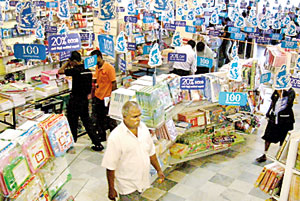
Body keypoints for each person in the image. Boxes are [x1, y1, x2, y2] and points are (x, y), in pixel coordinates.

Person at [102, 101, 165, 201]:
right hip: (126, 185)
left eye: (139, 115)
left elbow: (151, 152)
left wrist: (158, 169)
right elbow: (110, 166)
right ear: (124, 116)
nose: (138, 119)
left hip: (141, 180)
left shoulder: (143, 128)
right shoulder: (116, 137)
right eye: (134, 117)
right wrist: (111, 188)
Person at [58, 51, 102, 151]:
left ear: (73, 61)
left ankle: (72, 143)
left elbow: (60, 71)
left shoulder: (75, 70)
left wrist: (66, 63)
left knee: (72, 122)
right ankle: (97, 143)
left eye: (71, 61)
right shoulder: (88, 70)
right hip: (84, 100)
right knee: (87, 122)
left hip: (75, 100)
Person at [256, 88, 295, 163]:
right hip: (274, 117)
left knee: (282, 138)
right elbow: (273, 101)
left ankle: (279, 157)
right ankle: (264, 154)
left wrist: (281, 93)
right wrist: (268, 111)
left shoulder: (291, 92)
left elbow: (289, 104)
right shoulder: (277, 89)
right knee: (268, 136)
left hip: (284, 119)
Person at [90, 50, 117, 146]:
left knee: (110, 119)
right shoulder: (97, 67)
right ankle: (102, 135)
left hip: (107, 97)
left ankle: (115, 138)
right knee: (99, 118)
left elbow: (114, 83)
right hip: (98, 96)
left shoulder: (109, 68)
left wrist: (112, 98)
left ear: (99, 57)